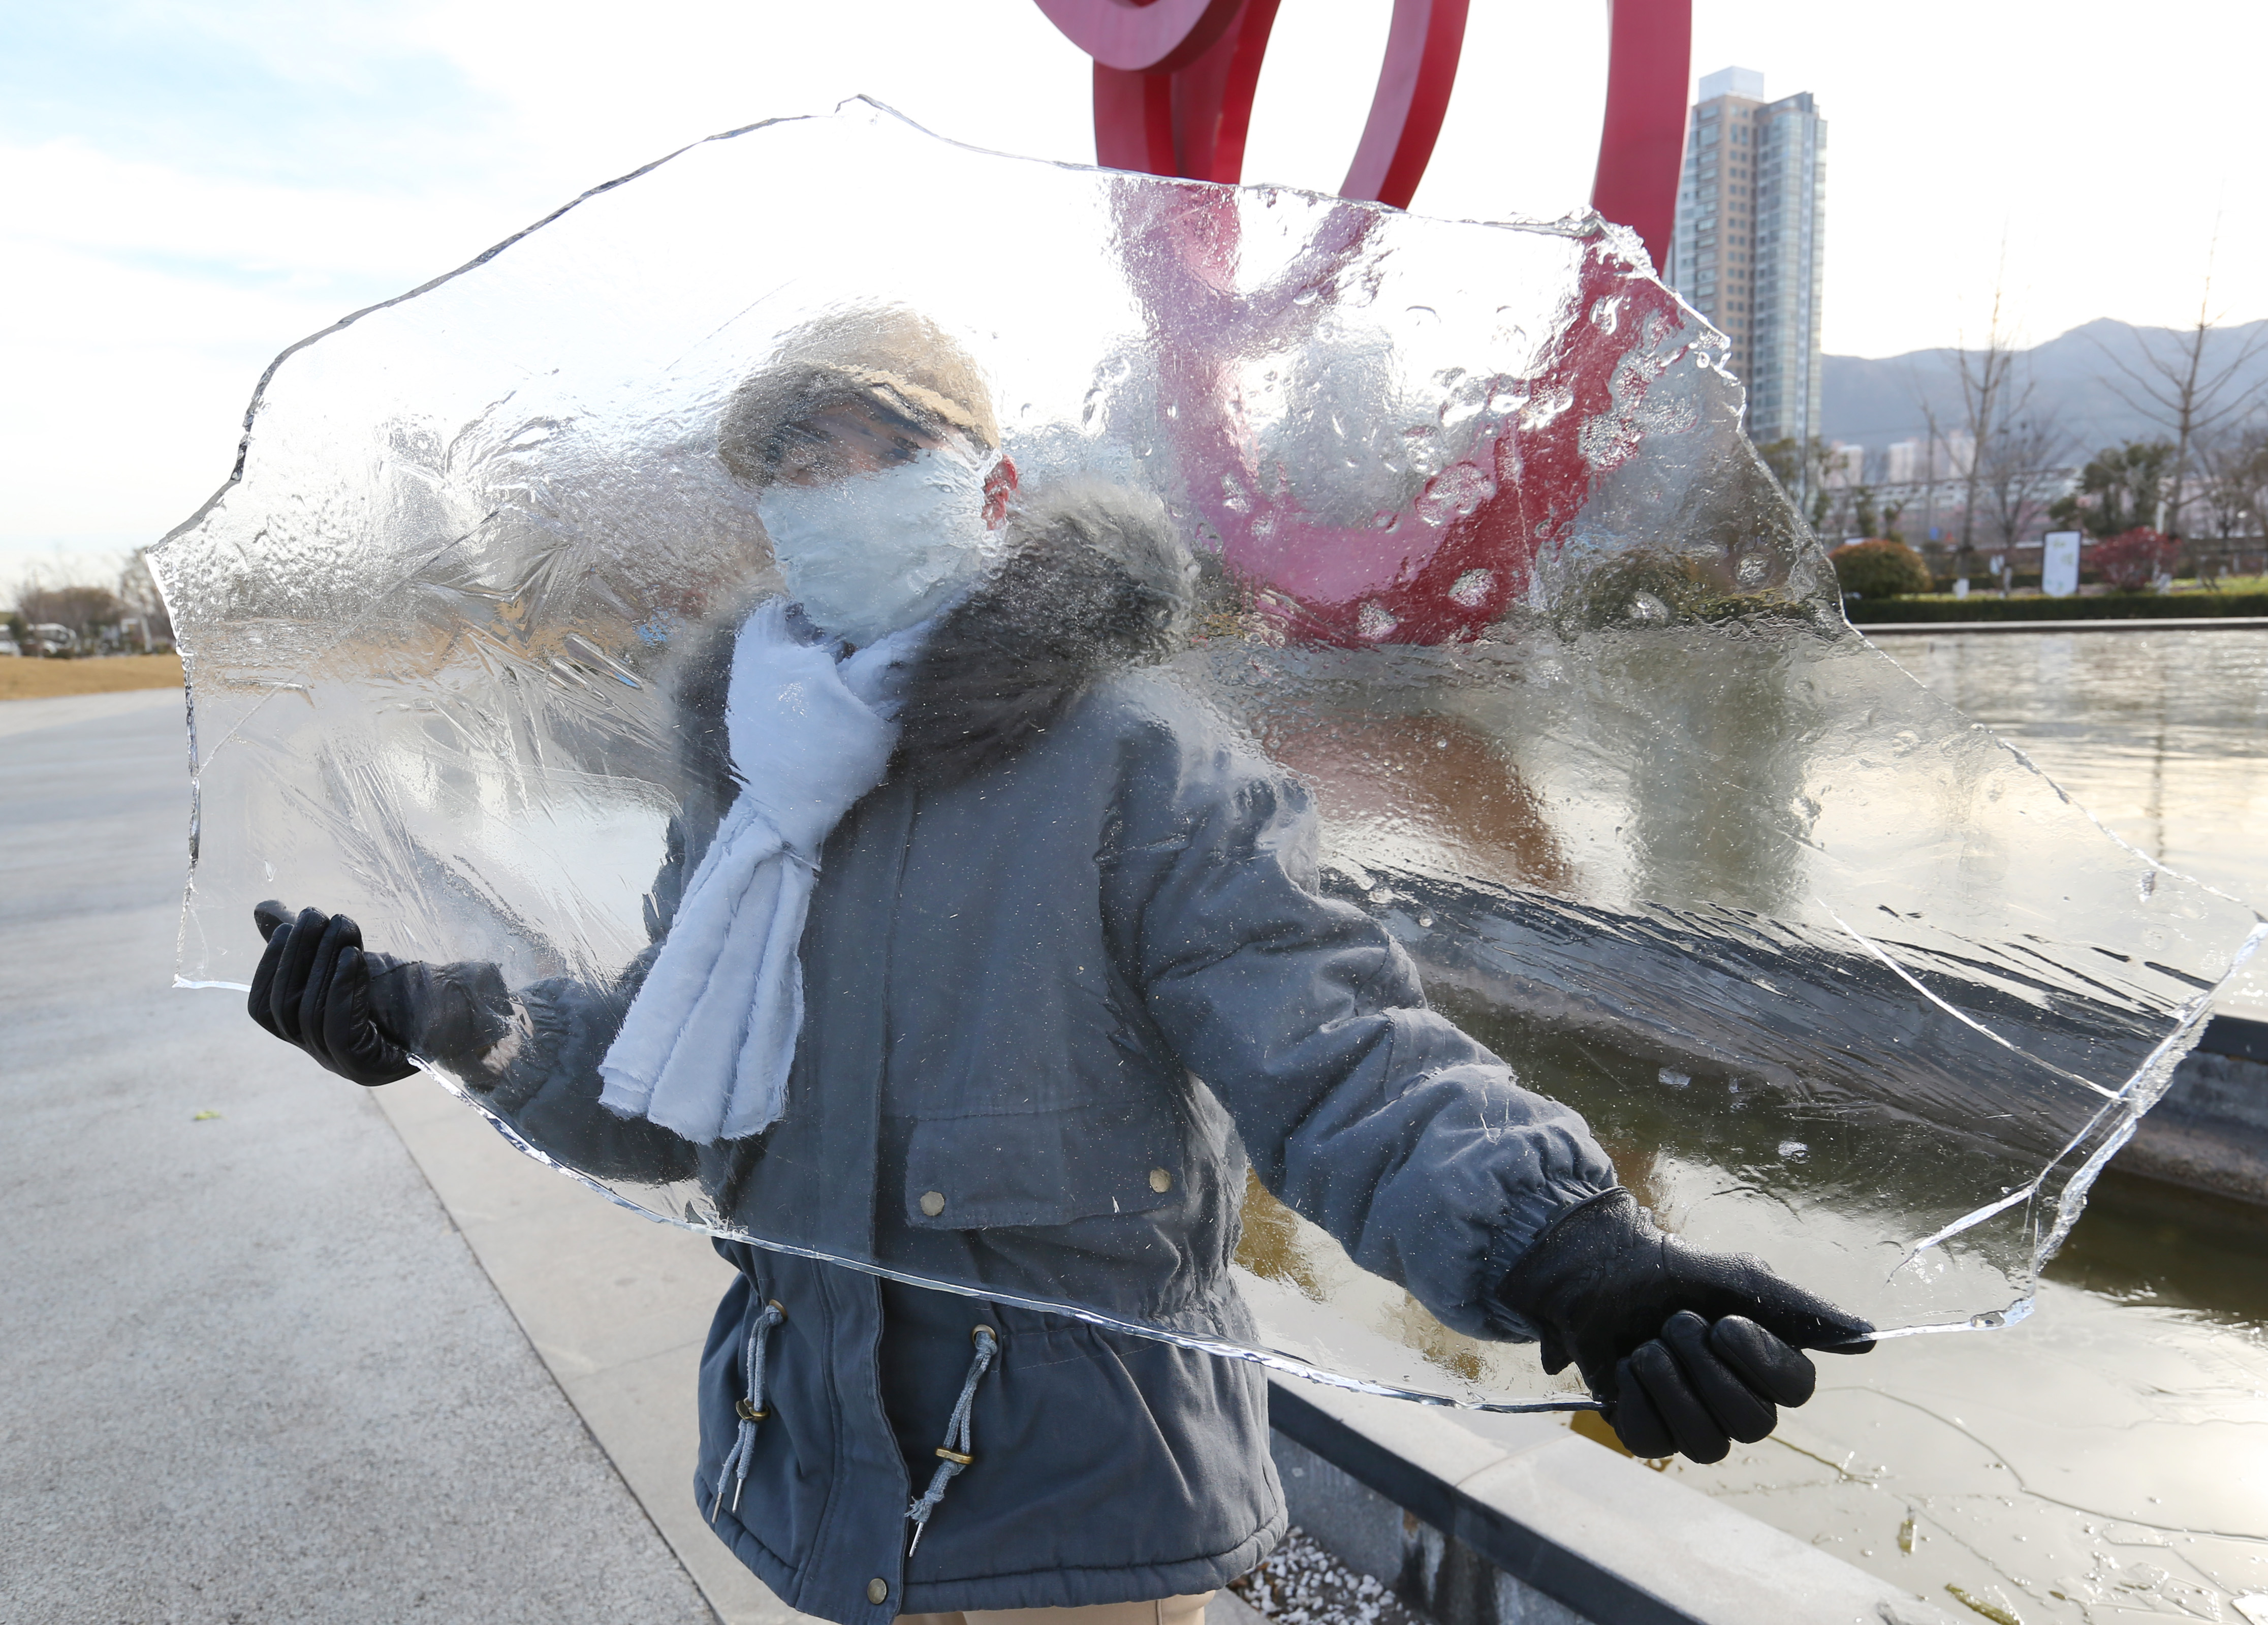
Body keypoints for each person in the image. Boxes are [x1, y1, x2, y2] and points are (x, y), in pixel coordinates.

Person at [245, 307, 1870, 1625]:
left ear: (994, 492)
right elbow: (667, 1098)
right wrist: (454, 1023)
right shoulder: (746, 782)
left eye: (889, 451)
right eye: (796, 463)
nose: (834, 486)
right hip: (817, 1493)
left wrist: (1570, 1251)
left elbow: (1338, 1050)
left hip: (1081, 1529)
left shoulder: (1137, 762)